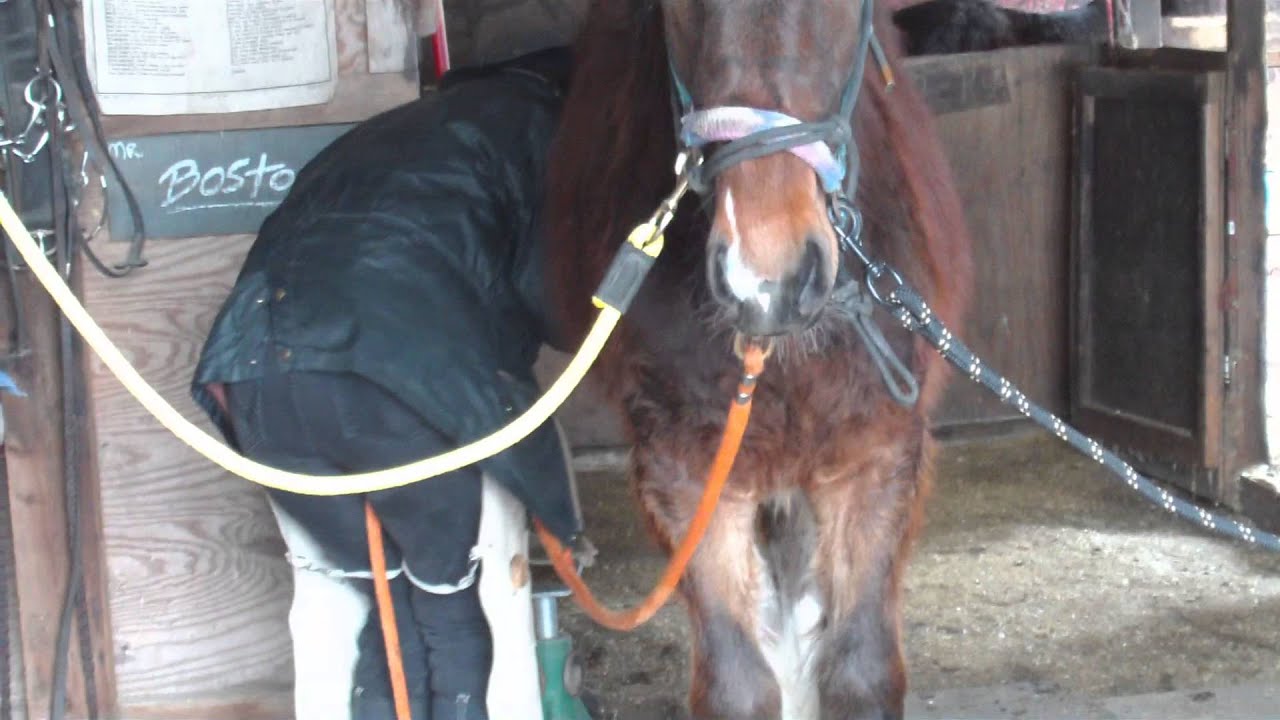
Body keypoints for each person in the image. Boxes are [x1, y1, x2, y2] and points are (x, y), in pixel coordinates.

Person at [190, 44, 581, 720]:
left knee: (387, 604)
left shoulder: (392, 132)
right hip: (389, 384)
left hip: (253, 382)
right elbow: (546, 290)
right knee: (449, 606)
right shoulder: (544, 134)